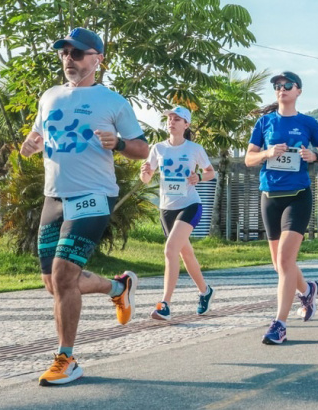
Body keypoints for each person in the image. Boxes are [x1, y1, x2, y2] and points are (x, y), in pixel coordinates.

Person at [20, 28, 149, 386]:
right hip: (54, 196)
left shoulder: (113, 102)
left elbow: (142, 149)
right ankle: (118, 288)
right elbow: (35, 135)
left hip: (93, 195)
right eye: (64, 53)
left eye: (77, 53)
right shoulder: (48, 96)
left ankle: (67, 358)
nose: (69, 59)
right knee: (53, 283)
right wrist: (28, 146)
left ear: (98, 59)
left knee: (64, 276)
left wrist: (119, 143)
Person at [245, 72, 318, 344]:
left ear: (298, 91)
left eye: (287, 86)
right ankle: (307, 290)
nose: (281, 89)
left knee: (285, 260)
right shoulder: (265, 122)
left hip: (298, 195)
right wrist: (267, 154)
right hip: (270, 195)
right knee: (279, 264)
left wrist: (315, 156)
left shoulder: (308, 123)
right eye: (277, 86)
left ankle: (279, 324)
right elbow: (249, 158)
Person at [139, 106, 217, 320]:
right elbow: (146, 178)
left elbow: (211, 172)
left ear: (186, 124)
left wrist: (199, 178)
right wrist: (144, 174)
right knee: (185, 253)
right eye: (169, 118)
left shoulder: (195, 149)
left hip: (190, 205)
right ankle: (205, 291)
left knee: (170, 250)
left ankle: (165, 304)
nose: (171, 121)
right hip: (166, 209)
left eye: (177, 119)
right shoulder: (158, 149)